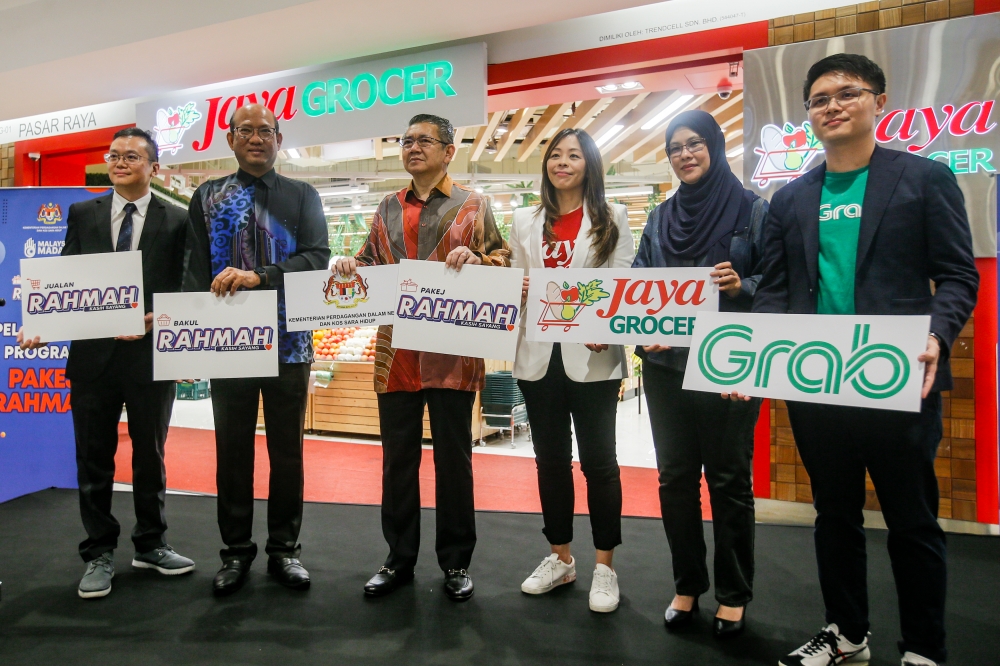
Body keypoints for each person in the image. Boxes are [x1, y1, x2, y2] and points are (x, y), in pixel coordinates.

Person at [747, 55, 978, 666]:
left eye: (847, 93)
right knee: (834, 517)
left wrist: (938, 332)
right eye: (818, 99)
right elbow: (774, 291)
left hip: (897, 378)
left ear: (880, 101)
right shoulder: (790, 198)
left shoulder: (924, 179)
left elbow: (956, 274)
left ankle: (924, 648)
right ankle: (847, 634)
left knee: (912, 521)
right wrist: (753, 360)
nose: (831, 106)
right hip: (817, 383)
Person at [335, 113, 509, 602]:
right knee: (397, 462)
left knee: (455, 463)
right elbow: (370, 264)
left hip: (455, 355)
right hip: (397, 356)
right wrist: (351, 265)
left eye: (423, 140)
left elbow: (503, 262)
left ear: (449, 151)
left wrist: (480, 260)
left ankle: (456, 564)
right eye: (406, 140)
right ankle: (398, 559)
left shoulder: (475, 204)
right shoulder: (386, 208)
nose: (412, 147)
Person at [19, 127, 193, 598]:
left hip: (149, 356)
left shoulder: (177, 220)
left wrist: (164, 321)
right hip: (93, 358)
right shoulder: (83, 213)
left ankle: (151, 544)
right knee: (93, 458)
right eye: (114, 155)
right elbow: (65, 278)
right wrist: (41, 321)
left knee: (150, 455)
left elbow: (184, 286)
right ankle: (98, 551)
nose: (120, 162)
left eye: (132, 156)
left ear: (153, 167)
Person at [182, 104, 330, 596]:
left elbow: (318, 257)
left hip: (290, 341)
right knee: (232, 451)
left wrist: (261, 276)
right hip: (228, 344)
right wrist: (184, 332)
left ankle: (285, 550)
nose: (256, 138)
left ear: (279, 138)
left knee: (287, 452)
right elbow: (194, 271)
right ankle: (235, 552)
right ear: (230, 139)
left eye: (265, 131)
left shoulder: (302, 195)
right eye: (246, 131)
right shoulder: (207, 196)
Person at [633, 109, 768, 637]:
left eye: (694, 144)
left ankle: (733, 594)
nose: (685, 155)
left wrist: (741, 287)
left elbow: (777, 281)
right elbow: (641, 280)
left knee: (730, 480)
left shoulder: (753, 210)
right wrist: (640, 323)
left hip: (729, 363)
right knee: (675, 479)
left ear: (714, 146)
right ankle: (687, 584)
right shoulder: (661, 217)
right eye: (674, 148)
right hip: (665, 365)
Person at [508, 128, 634, 613]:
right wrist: (516, 287)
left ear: (590, 164)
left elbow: (621, 282)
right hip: (537, 355)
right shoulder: (525, 219)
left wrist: (609, 322)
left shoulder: (612, 218)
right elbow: (517, 277)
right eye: (555, 155)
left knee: (600, 463)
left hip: (593, 355)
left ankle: (605, 565)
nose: (562, 162)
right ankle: (560, 556)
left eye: (573, 155)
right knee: (550, 461)